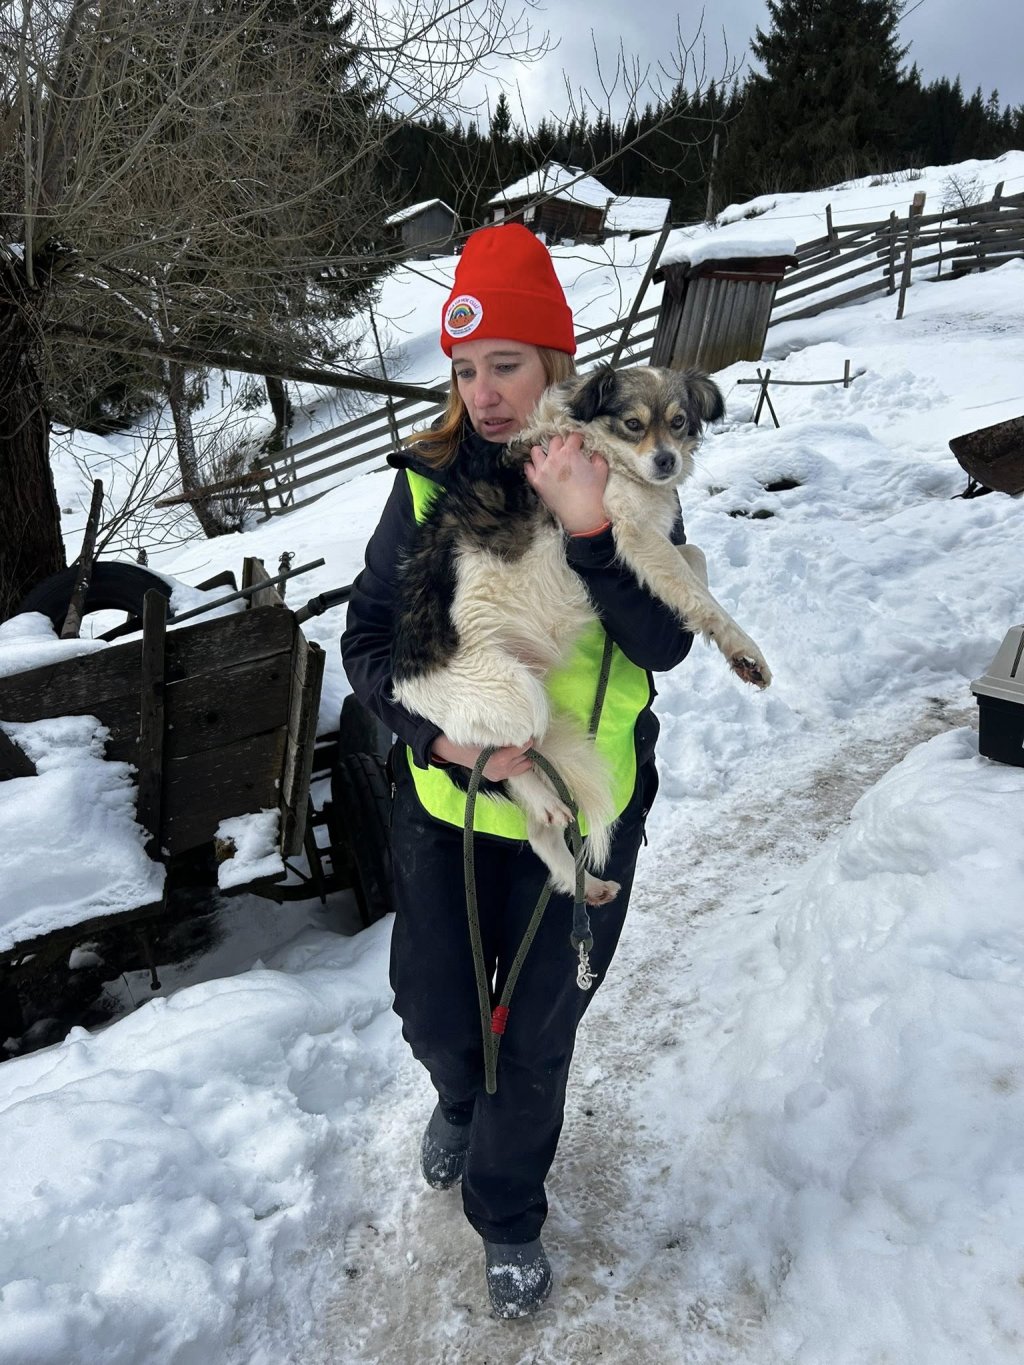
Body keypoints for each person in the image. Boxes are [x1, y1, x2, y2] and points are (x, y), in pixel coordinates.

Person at [340, 223, 694, 1318]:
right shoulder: (424, 485)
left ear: (554, 364)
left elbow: (665, 641)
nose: (484, 394)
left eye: (506, 364)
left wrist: (588, 531)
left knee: (534, 1038)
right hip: (447, 801)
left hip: (582, 809)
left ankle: (507, 1213)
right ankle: (455, 1094)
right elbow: (366, 644)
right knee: (438, 1016)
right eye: (464, 369)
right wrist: (439, 740)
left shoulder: (618, 471)